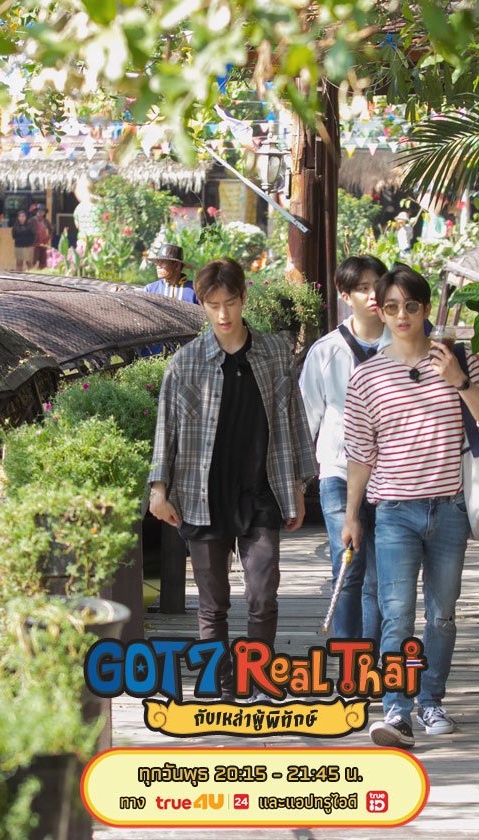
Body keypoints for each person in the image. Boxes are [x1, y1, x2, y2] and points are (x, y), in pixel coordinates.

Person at [341, 264, 479, 749]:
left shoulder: (456, 358)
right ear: (380, 310)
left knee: (442, 614)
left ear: (426, 307)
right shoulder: (367, 376)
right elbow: (359, 454)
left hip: (450, 508)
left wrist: (459, 380)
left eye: (411, 305)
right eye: (391, 306)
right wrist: (351, 517)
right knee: (396, 615)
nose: (402, 315)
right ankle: (397, 709)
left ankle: (432, 700)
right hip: (393, 511)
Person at [148, 258, 317, 699]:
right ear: (202, 304)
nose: (223, 314)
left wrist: (298, 485)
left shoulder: (274, 352)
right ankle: (221, 685)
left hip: (261, 490)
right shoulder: (186, 363)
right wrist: (158, 489)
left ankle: (257, 678)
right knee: (212, 602)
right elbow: (167, 429)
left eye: (230, 302)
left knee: (263, 593)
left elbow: (294, 419)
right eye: (213, 305)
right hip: (202, 493)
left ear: (243, 298)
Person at [298, 255, 386, 643]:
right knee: (348, 567)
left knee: (383, 576)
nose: (373, 294)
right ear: (345, 296)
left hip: (391, 474)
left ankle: (378, 660)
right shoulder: (326, 351)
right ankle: (352, 659)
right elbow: (306, 417)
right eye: (363, 288)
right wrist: (299, 481)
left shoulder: (402, 345)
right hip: (337, 471)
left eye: (377, 285)